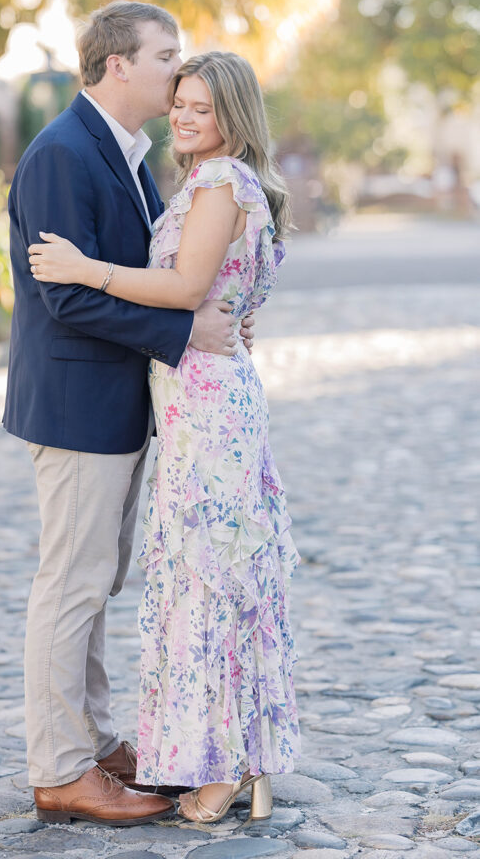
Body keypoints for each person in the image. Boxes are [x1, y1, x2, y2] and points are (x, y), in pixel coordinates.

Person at [29, 50, 301, 824]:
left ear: (232, 118)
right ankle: (220, 751)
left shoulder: (219, 182)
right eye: (178, 102)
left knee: (209, 579)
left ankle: (221, 766)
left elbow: (184, 289)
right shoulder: (222, 182)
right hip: (197, 397)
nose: (182, 116)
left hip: (207, 404)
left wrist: (87, 268)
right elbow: (223, 292)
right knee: (203, 576)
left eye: (200, 109)